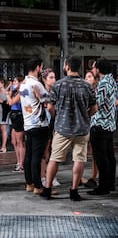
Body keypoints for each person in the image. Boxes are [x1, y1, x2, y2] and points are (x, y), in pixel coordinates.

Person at [40, 56, 97, 201]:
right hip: (82, 129)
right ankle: (74, 191)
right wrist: (85, 117)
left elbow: (50, 107)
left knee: (54, 159)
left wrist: (56, 117)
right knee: (79, 159)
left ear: (67, 66)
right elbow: (94, 108)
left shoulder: (57, 85)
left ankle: (47, 189)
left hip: (62, 128)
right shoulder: (87, 86)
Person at [18, 58, 50, 195]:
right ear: (38, 67)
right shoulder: (36, 84)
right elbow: (47, 100)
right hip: (39, 123)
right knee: (37, 156)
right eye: (41, 67)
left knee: (29, 155)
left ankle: (29, 183)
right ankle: (38, 185)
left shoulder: (23, 84)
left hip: (28, 123)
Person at [88, 57, 117, 195]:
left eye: (94, 67)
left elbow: (96, 103)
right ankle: (110, 184)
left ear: (99, 69)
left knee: (101, 157)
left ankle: (103, 186)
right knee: (109, 156)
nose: (93, 70)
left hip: (100, 124)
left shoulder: (104, 83)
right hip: (109, 124)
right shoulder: (111, 80)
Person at [39, 68, 61, 188]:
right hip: (44, 123)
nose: (54, 80)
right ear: (44, 79)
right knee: (44, 151)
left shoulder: (55, 91)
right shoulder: (42, 92)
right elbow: (48, 108)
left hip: (54, 123)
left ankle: (51, 175)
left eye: (54, 77)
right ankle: (43, 176)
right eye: (51, 77)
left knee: (53, 151)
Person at [82, 69, 99, 188]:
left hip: (95, 122)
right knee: (82, 152)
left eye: (90, 77)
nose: (87, 79)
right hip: (84, 123)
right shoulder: (83, 91)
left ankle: (94, 175)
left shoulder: (97, 91)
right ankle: (80, 176)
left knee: (95, 152)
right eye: (86, 77)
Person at [6, 76, 25, 173]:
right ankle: (18, 161)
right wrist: (10, 90)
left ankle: (22, 164)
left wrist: (8, 94)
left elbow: (10, 102)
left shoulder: (22, 92)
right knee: (14, 141)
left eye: (15, 81)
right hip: (13, 115)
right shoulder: (15, 91)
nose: (13, 83)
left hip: (18, 115)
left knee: (20, 141)